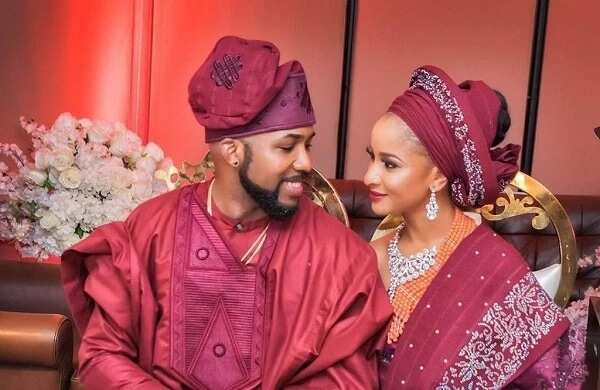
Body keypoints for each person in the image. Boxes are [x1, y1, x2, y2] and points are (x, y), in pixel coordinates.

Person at [61, 36, 391, 389]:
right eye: (287, 147)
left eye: (307, 144)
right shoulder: (150, 230)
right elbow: (103, 354)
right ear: (232, 151)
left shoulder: (340, 257)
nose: (306, 162)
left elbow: (345, 380)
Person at [364, 65, 577, 388]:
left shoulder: (492, 267)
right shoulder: (371, 256)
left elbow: (544, 378)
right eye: (372, 158)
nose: (369, 176)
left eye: (389, 164)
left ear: (438, 176)